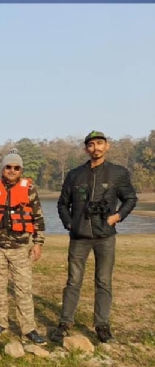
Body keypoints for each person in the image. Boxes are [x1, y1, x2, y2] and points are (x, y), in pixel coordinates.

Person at [51, 130, 137, 344]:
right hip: (79, 236)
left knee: (103, 281)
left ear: (107, 146)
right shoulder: (74, 175)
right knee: (73, 281)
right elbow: (63, 203)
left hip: (105, 236)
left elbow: (130, 198)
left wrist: (117, 216)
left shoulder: (118, 173)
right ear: (86, 149)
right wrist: (70, 223)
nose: (95, 148)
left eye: (99, 143)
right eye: (91, 145)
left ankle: (102, 325)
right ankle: (65, 323)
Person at [0, 148, 46, 344]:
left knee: (23, 289)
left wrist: (38, 244)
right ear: (2, 169)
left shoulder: (29, 189)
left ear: (21, 170)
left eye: (16, 167)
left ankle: (28, 328)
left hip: (20, 248)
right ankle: (1, 323)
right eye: (8, 167)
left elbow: (38, 218)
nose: (12, 170)